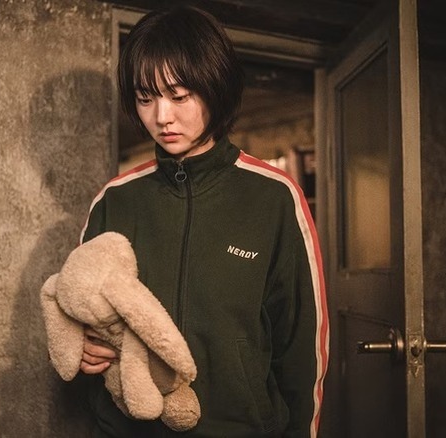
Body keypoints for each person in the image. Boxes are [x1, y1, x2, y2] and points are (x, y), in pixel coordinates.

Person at [77, 5, 329, 437]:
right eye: (145, 98)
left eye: (179, 95)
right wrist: (84, 349)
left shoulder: (273, 197)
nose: (161, 117)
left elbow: (302, 349)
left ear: (215, 86)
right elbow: (82, 316)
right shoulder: (114, 201)